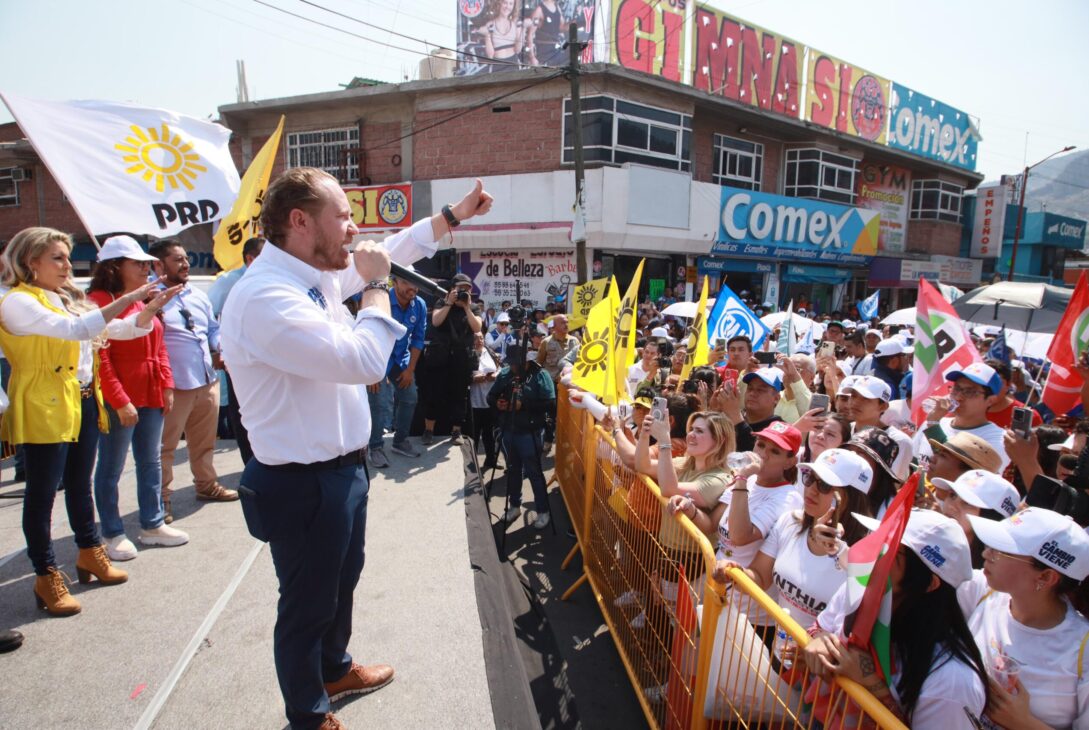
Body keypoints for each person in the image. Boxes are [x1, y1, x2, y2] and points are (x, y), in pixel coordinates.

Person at [221, 167, 492, 729]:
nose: (353, 228)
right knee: (305, 605)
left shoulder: (310, 275)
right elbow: (365, 362)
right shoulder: (266, 296)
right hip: (300, 482)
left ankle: (334, 666)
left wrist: (451, 218)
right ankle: (308, 713)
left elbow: (388, 249)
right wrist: (375, 289)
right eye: (343, 216)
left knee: (341, 582)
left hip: (342, 472)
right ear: (300, 221)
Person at [0, 227, 176, 615]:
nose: (67, 266)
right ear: (31, 262)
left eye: (66, 257)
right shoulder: (18, 302)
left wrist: (144, 311)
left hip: (80, 398)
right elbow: (75, 329)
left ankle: (89, 552)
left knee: (80, 484)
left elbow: (109, 332)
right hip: (44, 401)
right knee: (43, 493)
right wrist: (129, 299)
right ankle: (46, 575)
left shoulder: (62, 298)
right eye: (57, 258)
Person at [804, 509, 989, 729]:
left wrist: (872, 684)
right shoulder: (857, 593)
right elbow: (819, 628)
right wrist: (820, 639)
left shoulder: (953, 683)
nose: (869, 553)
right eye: (877, 540)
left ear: (929, 583)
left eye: (890, 552)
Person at [712, 448, 874, 665]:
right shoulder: (790, 522)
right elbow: (760, 576)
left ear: (852, 498)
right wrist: (736, 572)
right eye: (809, 478)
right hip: (777, 657)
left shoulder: (865, 555)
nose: (811, 490)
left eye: (825, 485)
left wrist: (813, 655)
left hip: (820, 676)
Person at [88, 236, 189, 560]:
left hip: (150, 393)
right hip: (119, 398)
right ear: (115, 267)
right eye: (139, 263)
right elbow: (99, 358)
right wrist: (118, 399)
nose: (147, 268)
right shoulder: (97, 301)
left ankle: (152, 524)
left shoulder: (146, 298)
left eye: (148, 263)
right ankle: (112, 532)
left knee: (150, 462)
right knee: (111, 467)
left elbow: (158, 345)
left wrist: (167, 384)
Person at [966, 508, 1089, 729]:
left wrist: (1023, 723)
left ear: (1045, 576)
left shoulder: (1083, 648)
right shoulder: (980, 591)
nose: (985, 554)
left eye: (1000, 550)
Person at [150, 239, 239, 522]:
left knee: (203, 442)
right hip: (173, 385)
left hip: (206, 380)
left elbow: (212, 328)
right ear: (158, 265)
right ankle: (161, 500)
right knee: (164, 447)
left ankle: (206, 485)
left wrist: (220, 344)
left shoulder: (197, 295)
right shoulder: (150, 297)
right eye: (177, 260)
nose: (185, 264)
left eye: (186, 258)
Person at [209, 236, 265, 467]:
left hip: (266, 360)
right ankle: (250, 464)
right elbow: (209, 318)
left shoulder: (272, 280)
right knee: (242, 414)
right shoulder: (227, 282)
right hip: (238, 361)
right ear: (250, 259)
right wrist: (217, 347)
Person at [488, 343, 556, 529]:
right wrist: (498, 403)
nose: (512, 367)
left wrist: (523, 405)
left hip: (530, 432)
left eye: (515, 363)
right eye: (510, 363)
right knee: (513, 470)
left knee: (534, 472)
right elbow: (491, 397)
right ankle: (514, 506)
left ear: (525, 361)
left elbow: (550, 404)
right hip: (508, 430)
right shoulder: (504, 374)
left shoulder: (540, 375)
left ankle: (543, 511)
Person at [366, 269, 426, 468]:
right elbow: (369, 337)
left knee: (410, 397)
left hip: (400, 360)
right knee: (379, 402)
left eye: (415, 283)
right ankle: (375, 447)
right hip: (378, 359)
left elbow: (418, 340)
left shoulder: (420, 305)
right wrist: (372, 373)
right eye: (408, 283)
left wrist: (410, 370)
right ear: (395, 283)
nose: (413, 288)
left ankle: (400, 442)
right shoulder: (380, 301)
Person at [420, 273, 480, 445]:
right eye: (460, 288)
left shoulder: (474, 307)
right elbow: (436, 321)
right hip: (440, 356)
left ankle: (456, 431)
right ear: (453, 289)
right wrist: (448, 303)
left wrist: (467, 307)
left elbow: (477, 327)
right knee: (434, 393)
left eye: (467, 288)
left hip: (462, 358)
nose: (464, 291)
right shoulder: (442, 301)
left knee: (460, 395)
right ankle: (428, 429)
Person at [928, 362, 1011, 471]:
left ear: (990, 400)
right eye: (956, 389)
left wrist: (933, 427)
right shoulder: (937, 422)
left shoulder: (999, 439)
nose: (959, 397)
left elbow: (959, 472)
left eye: (970, 392)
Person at [469, 332, 501, 471]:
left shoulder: (490, 352)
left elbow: (500, 368)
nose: (479, 340)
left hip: (490, 400)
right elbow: (460, 374)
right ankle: (471, 463)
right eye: (475, 338)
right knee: (473, 434)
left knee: (490, 433)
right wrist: (473, 378)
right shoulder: (467, 355)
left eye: (481, 337)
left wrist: (495, 375)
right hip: (474, 401)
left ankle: (491, 459)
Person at [985, 358, 1044, 430]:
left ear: (1008, 384)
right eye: (984, 382)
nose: (989, 387)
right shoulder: (968, 412)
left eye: (996, 382)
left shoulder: (1028, 418)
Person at [480, 0, 524, 68]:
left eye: (511, 4)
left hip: (513, 64)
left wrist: (522, 31)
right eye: (505, 3)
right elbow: (490, 55)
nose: (507, 6)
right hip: (497, 65)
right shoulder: (490, 25)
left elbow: (518, 50)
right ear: (499, 3)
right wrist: (487, 34)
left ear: (513, 6)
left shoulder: (515, 24)